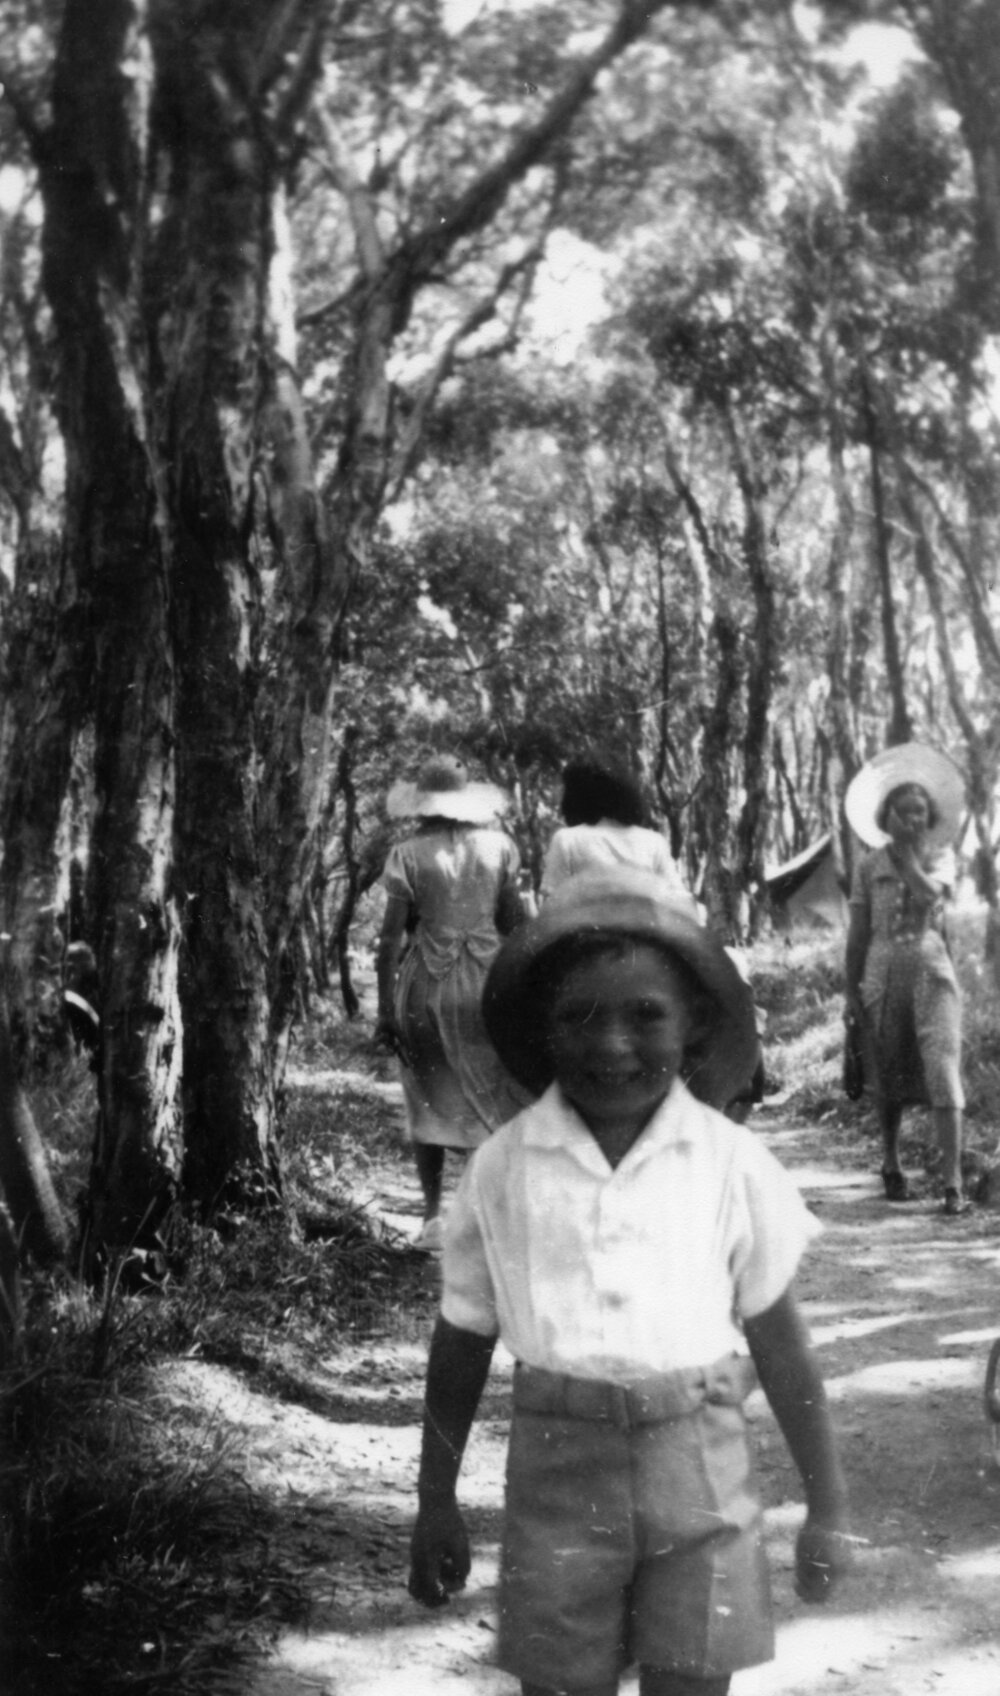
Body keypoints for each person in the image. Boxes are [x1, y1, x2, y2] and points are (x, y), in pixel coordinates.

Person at [409, 868, 850, 1696]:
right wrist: (436, 1499)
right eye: (579, 1016)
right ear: (542, 1030)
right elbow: (462, 1334)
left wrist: (827, 1507)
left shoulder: (731, 1164)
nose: (612, 1044)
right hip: (557, 1474)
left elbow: (780, 1341)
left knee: (694, 1679)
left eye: (646, 1015)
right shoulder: (503, 1170)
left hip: (702, 1473)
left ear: (694, 1026)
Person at [376, 755, 529, 1252]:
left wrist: (383, 1010)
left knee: (426, 1098)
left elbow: (389, 941)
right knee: (486, 1095)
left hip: (426, 986)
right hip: (487, 982)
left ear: (423, 803)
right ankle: (481, 1215)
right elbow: (514, 924)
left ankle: (431, 1216)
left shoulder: (408, 854)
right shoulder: (500, 847)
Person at [844, 742, 968, 1216]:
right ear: (887, 814)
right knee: (888, 1069)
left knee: (942, 1065)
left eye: (920, 811)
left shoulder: (939, 856)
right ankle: (891, 1163)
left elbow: (933, 896)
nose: (914, 819)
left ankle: (953, 1181)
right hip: (880, 970)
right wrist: (850, 994)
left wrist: (907, 857)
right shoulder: (867, 865)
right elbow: (857, 936)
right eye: (905, 811)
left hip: (932, 967)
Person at [540, 758, 689, 904]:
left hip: (586, 927)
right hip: (643, 926)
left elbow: (553, 903)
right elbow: (677, 899)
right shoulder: (654, 841)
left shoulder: (567, 840)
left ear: (574, 799)